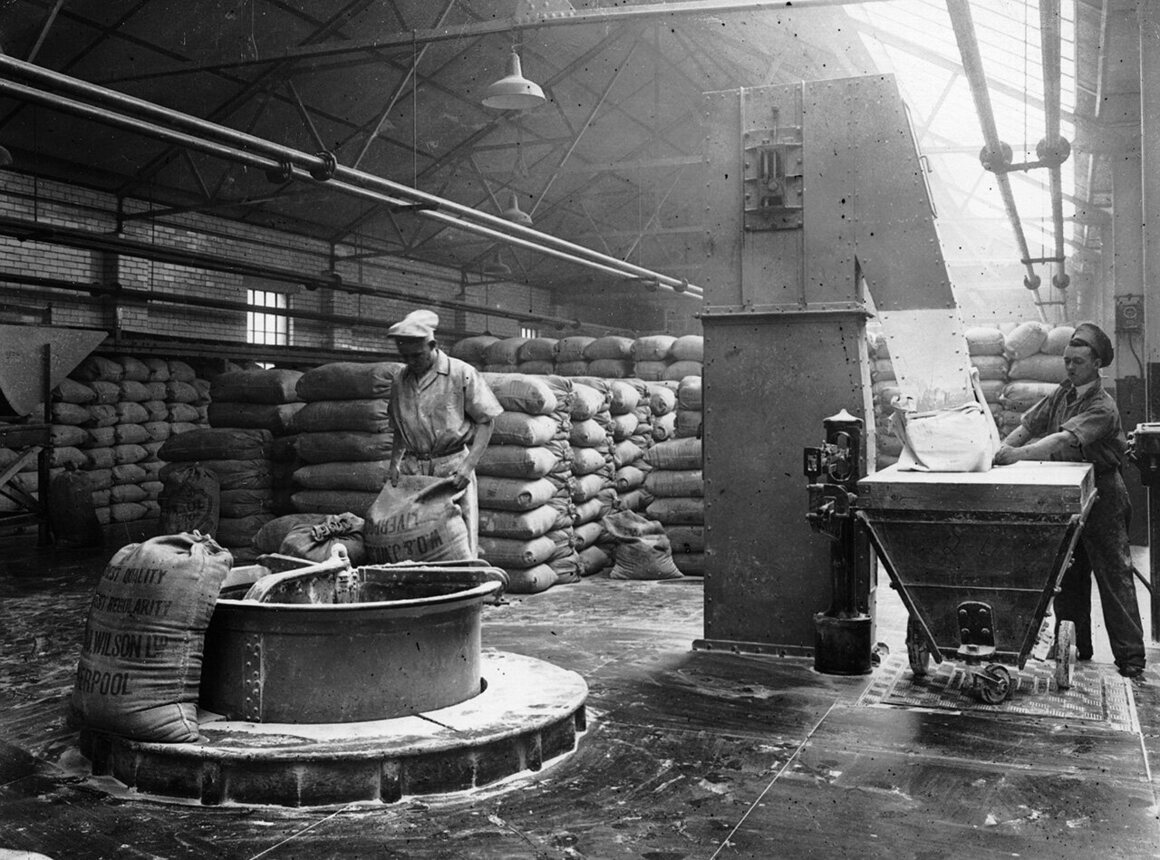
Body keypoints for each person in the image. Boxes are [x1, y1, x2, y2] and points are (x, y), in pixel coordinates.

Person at [992, 322, 1146, 678]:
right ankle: (1075, 646)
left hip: (1103, 493)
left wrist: (1019, 456)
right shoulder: (1063, 393)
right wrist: (1002, 448)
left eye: (1077, 361)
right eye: (1067, 361)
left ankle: (1131, 658)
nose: (1070, 367)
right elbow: (1030, 424)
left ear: (1096, 365)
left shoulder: (1102, 406)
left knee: (1114, 576)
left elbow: (1061, 440)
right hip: (1069, 492)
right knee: (1068, 574)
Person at [385, 310, 503, 557]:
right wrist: (395, 463)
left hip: (452, 468)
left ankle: (467, 588)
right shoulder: (400, 380)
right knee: (416, 540)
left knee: (459, 541)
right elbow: (398, 427)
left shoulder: (461, 373)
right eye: (405, 356)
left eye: (417, 355)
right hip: (414, 470)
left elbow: (486, 422)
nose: (411, 362)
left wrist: (468, 467)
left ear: (433, 345)